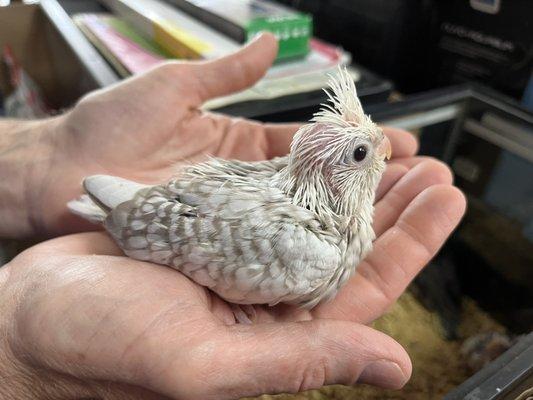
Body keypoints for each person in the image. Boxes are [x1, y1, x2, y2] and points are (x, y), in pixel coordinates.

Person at [0, 33, 465, 399]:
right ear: (332, 174)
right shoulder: (307, 250)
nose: (383, 149)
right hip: (166, 215)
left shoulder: (312, 208)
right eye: (363, 152)